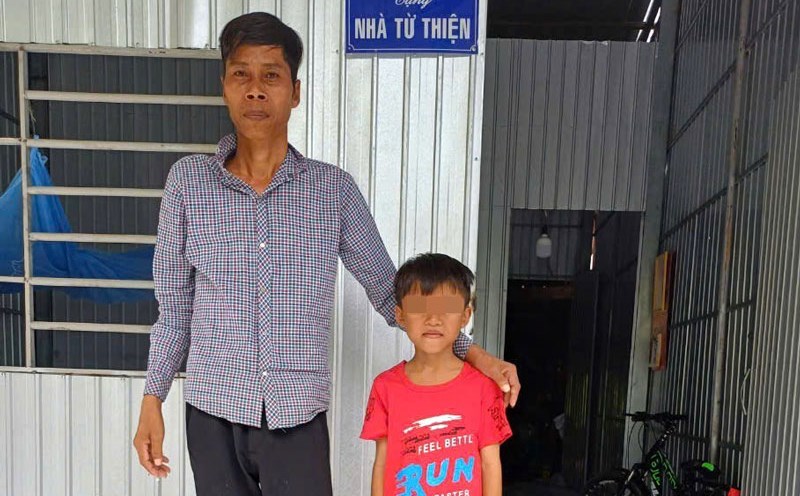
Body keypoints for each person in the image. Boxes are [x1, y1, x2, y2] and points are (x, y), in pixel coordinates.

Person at [132, 11, 520, 496]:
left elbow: (389, 291)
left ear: (294, 92)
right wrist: (153, 398)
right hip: (212, 410)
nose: (255, 90)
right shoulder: (188, 184)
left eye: (271, 76)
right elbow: (175, 310)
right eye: (241, 75)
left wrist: (473, 352)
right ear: (225, 87)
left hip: (296, 415)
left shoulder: (330, 190)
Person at [361, 253, 512, 496]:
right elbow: (382, 463)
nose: (433, 319)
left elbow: (490, 464)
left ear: (465, 316)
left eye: (446, 308)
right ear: (400, 315)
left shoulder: (484, 388)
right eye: (420, 307)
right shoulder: (385, 387)